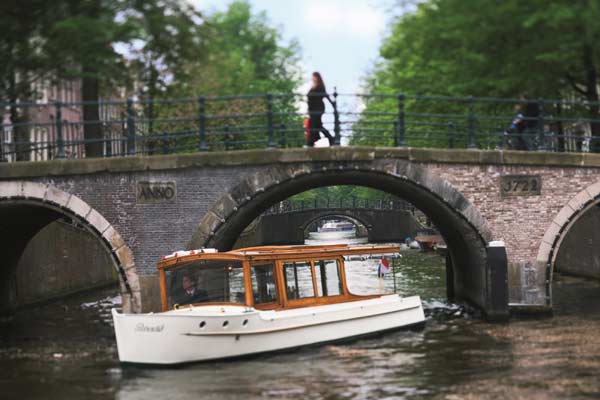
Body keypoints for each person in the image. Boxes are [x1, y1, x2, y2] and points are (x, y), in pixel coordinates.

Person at [307, 72, 335, 146]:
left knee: (313, 124)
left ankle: (311, 142)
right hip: (312, 109)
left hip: (318, 108)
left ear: (317, 77)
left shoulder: (320, 86)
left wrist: (333, 104)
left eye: (313, 76)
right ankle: (330, 138)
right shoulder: (313, 86)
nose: (312, 78)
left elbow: (325, 95)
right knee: (317, 125)